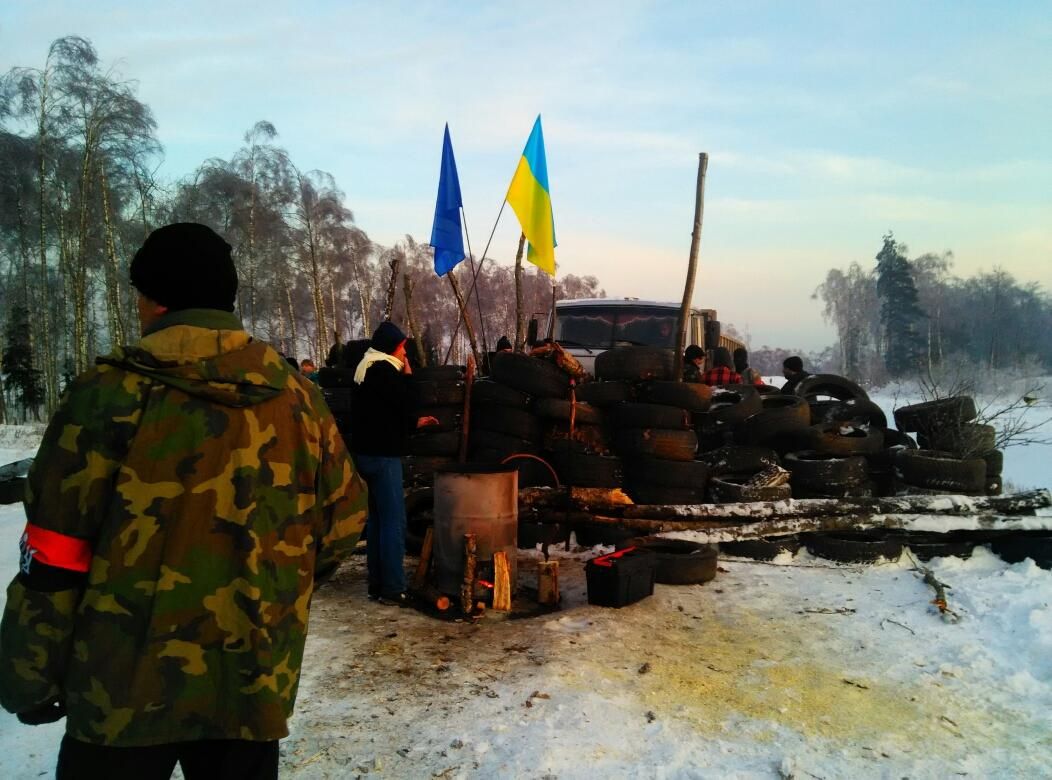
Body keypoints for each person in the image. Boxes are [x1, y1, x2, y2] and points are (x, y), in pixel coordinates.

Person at [0, 222, 368, 779]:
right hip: (248, 682)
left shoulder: (106, 395)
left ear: (153, 301)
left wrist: (28, 672)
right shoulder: (297, 397)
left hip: (117, 690)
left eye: (140, 296)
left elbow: (53, 550)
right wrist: (266, 590)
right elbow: (342, 521)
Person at [350, 321, 436, 605]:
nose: (403, 353)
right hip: (383, 456)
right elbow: (408, 402)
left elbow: (385, 411)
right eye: (401, 347)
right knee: (394, 523)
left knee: (376, 521)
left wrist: (413, 422)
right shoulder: (386, 372)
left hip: (364, 455)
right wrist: (409, 375)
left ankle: (377, 584)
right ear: (392, 347)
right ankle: (393, 587)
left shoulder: (365, 368)